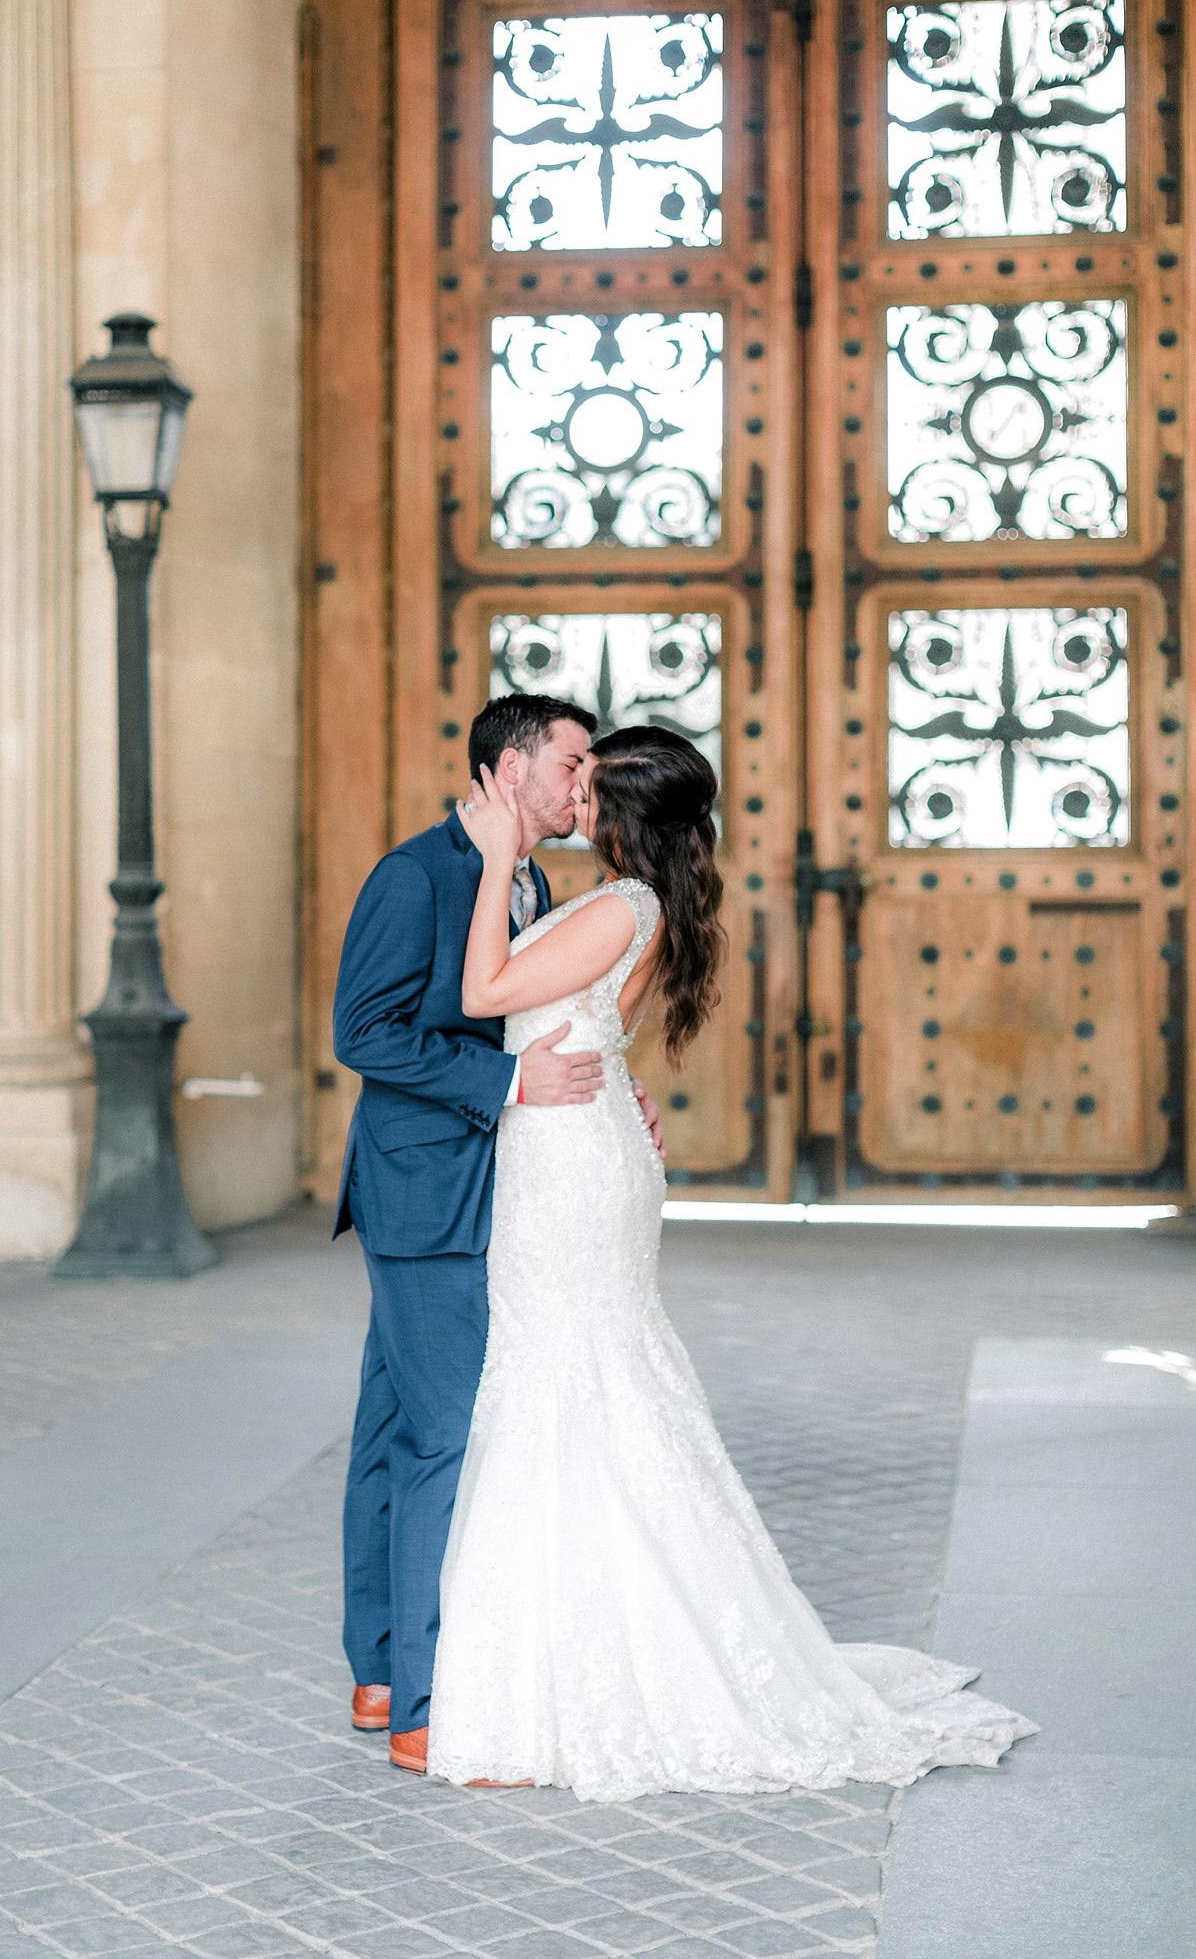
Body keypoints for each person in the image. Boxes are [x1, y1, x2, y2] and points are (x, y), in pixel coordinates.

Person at [425, 724, 1036, 1800]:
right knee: (581, 1381)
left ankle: (561, 1687)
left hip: (569, 1169)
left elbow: (484, 995)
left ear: (617, 812)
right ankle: (562, 1665)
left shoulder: (618, 905)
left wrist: (485, 863)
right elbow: (591, 1032)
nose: (568, 789)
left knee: (564, 1382)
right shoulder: (638, 905)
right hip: (577, 1147)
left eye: (585, 779)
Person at [331, 693, 663, 1774]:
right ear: (507, 767)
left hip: (507, 1191)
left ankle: (379, 1668)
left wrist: (611, 1085)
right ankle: (425, 1708)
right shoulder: (416, 873)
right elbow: (364, 1033)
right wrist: (512, 1078)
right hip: (427, 1191)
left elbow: (549, 1007)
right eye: (569, 764)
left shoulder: (534, 881)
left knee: (394, 1426)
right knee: (441, 1437)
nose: (582, 785)